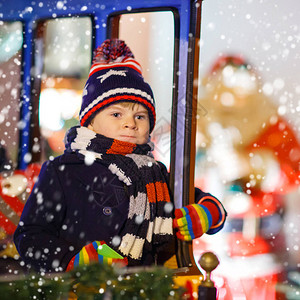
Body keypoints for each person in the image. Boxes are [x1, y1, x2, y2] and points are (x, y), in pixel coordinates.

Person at [14, 39, 227, 273]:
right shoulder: (63, 170)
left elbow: (204, 203)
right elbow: (29, 237)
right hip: (81, 289)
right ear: (91, 123)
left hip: (146, 286)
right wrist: (74, 260)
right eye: (116, 114)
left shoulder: (154, 172)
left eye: (140, 116)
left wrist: (207, 213)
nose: (130, 123)